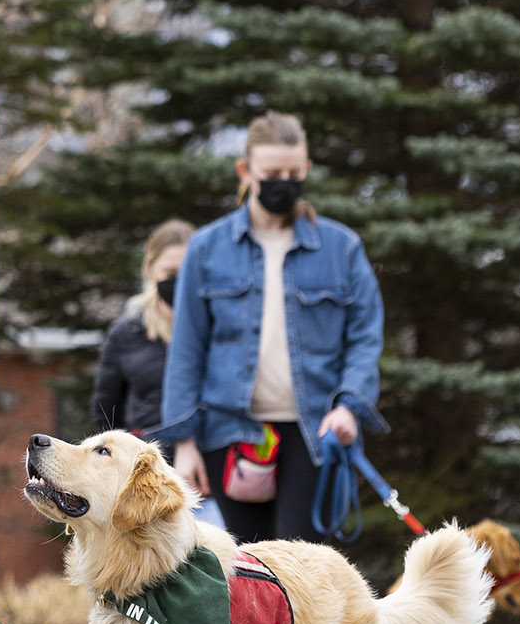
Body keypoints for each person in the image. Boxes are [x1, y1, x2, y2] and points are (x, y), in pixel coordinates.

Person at [154, 112, 387, 545]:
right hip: (230, 432)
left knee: (302, 564)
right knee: (246, 564)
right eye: (273, 174)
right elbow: (187, 349)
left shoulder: (342, 248)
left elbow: (365, 337)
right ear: (245, 171)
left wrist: (349, 406)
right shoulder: (206, 249)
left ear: (307, 169)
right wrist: (183, 444)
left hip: (315, 430)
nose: (285, 182)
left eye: (294, 174)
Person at [89, 219, 194, 451]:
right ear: (150, 269)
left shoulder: (218, 329)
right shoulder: (126, 334)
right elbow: (106, 414)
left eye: (188, 271)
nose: (180, 281)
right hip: (149, 459)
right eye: (170, 272)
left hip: (208, 460)